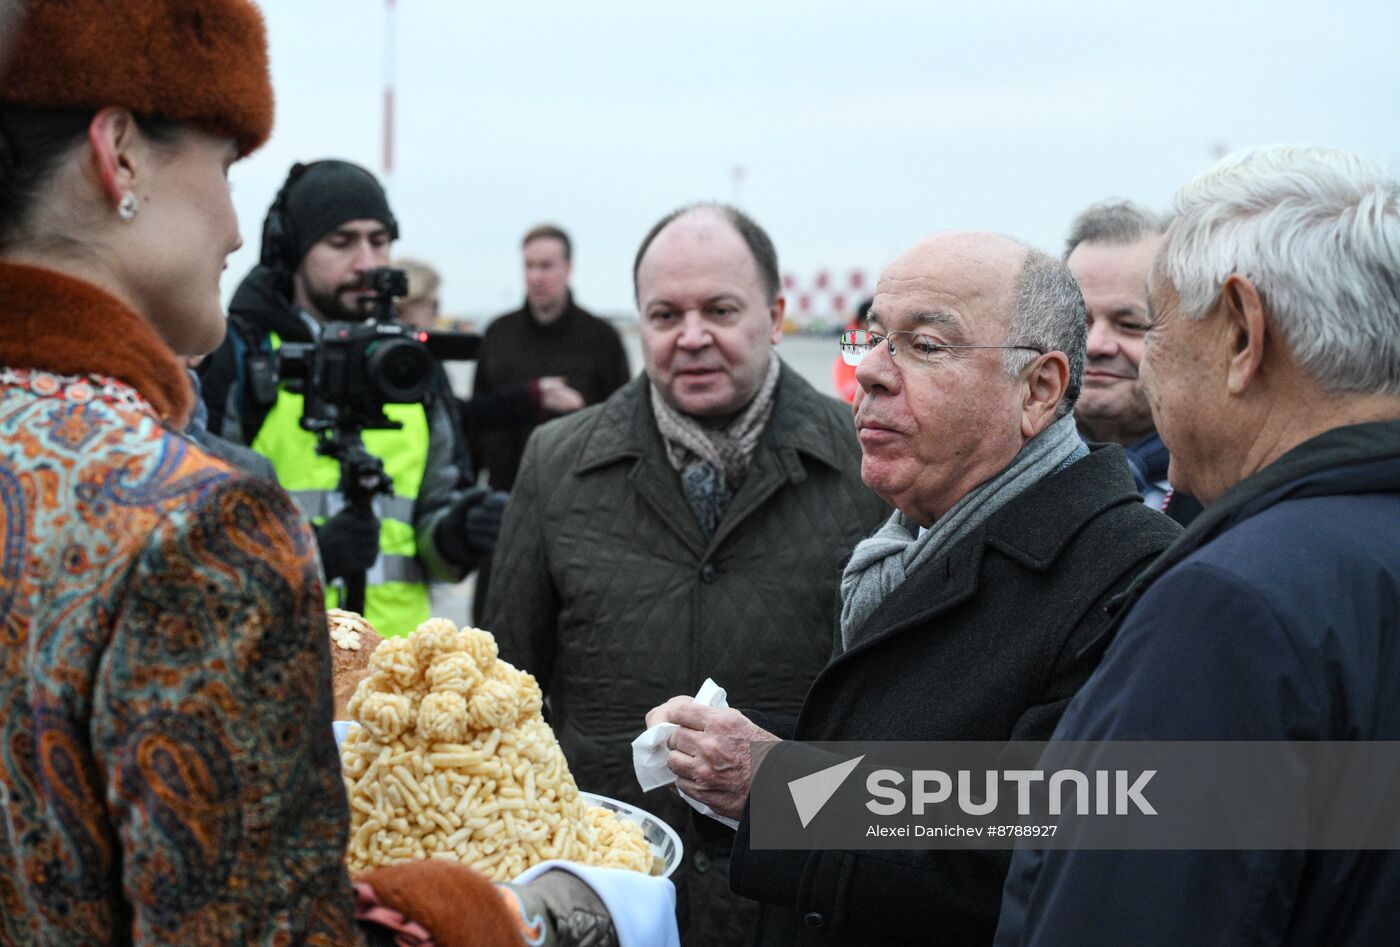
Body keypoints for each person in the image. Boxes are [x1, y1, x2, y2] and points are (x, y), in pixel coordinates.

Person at [0, 2, 678, 945]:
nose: (233, 230)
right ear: (119, 155)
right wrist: (522, 915)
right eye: (225, 167)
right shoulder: (200, 525)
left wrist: (457, 530)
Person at [647, 230, 1181, 945]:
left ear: (1039, 390)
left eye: (924, 345)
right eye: (872, 337)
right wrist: (744, 766)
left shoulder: (1132, 575)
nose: (869, 370)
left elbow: (1030, 841)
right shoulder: (905, 543)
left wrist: (776, 786)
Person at [996, 146, 1400, 945]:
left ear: (1243, 333)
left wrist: (796, 794)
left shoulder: (1232, 607)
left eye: (1156, 324)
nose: (1141, 369)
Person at [487, 204, 890, 945]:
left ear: (775, 317)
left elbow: (897, 719)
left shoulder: (868, 465)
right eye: (666, 314)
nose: (692, 335)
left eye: (720, 310)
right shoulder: (555, 463)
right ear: (639, 324)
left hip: (797, 902)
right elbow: (506, 690)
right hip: (604, 899)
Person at [198, 159, 506, 637]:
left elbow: (432, 528)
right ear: (293, 251)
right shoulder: (244, 358)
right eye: (341, 242)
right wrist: (309, 555)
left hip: (396, 665)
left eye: (379, 242)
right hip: (278, 656)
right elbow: (201, 541)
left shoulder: (409, 367)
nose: (366, 263)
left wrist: (460, 533)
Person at [1064, 200, 1200, 524]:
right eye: (1077, 322)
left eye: (1130, 325)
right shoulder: (1001, 475)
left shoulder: (1233, 482)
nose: (1095, 345)